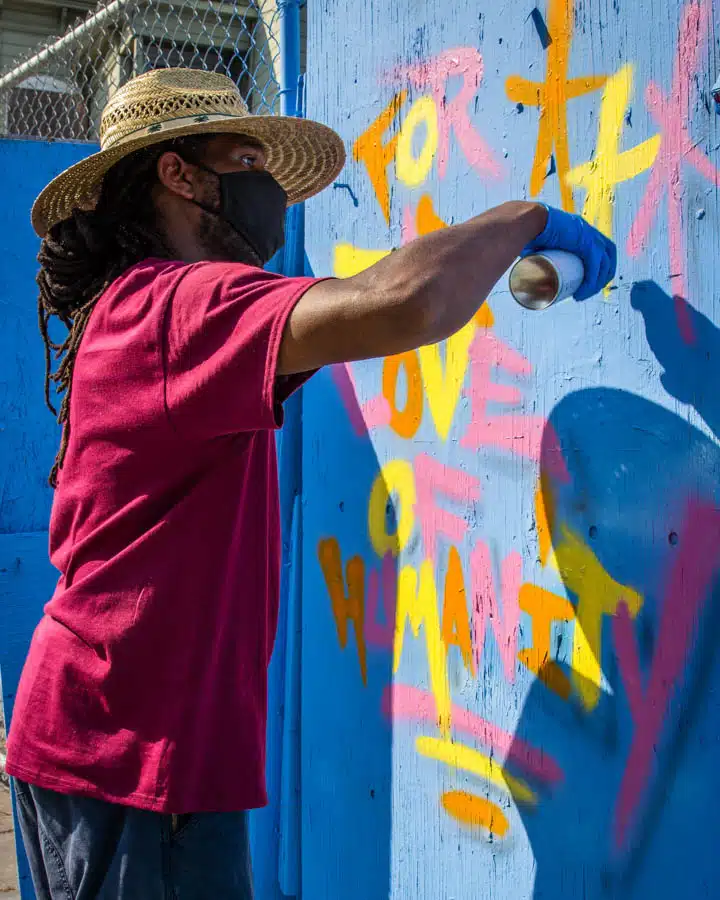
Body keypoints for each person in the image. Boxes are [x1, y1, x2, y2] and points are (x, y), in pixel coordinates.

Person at [5, 66, 616, 899]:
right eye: (245, 158)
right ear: (179, 175)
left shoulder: (148, 310)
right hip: (134, 762)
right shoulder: (176, 308)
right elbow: (405, 302)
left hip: (113, 746)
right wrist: (524, 217)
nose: (268, 187)